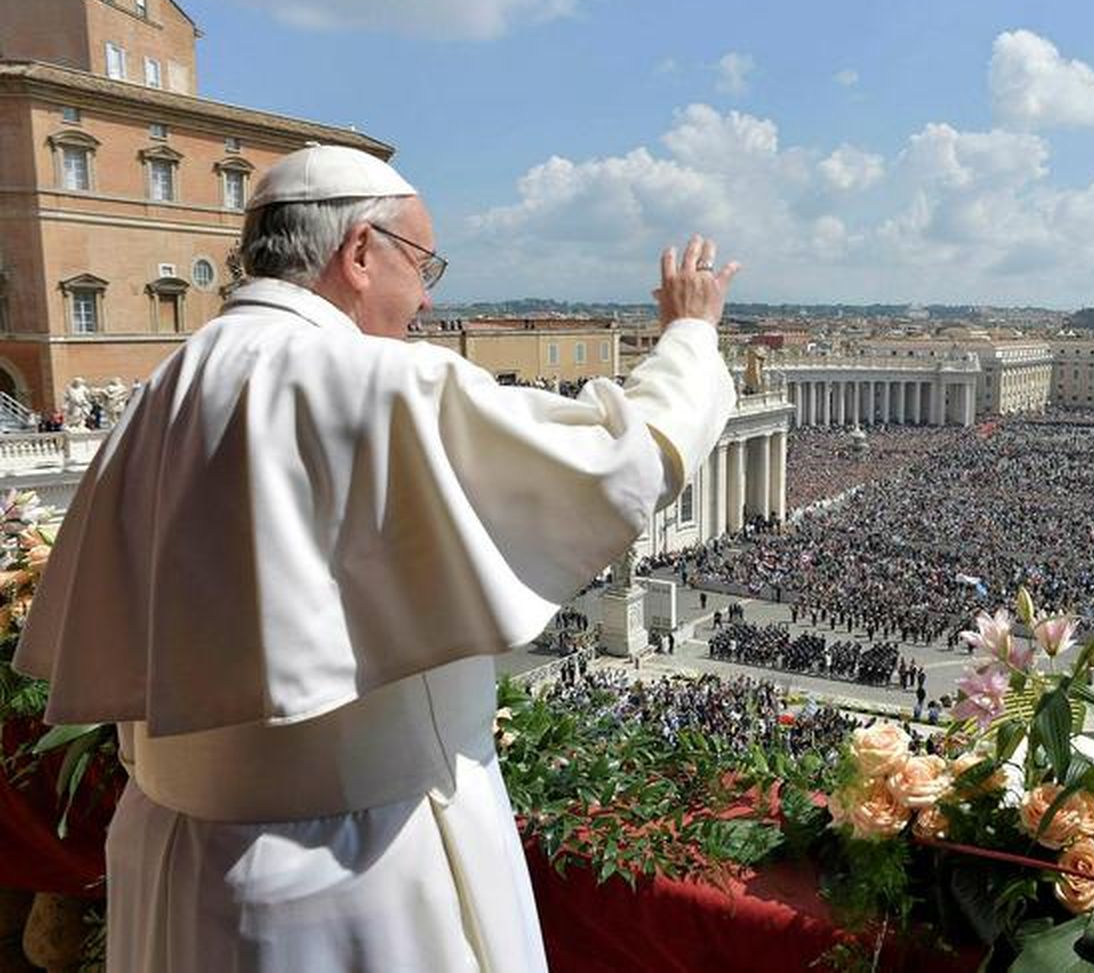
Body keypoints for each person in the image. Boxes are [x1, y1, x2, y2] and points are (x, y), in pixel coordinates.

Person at [12, 145, 741, 973]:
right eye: (422, 263)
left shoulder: (162, 391)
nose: (428, 297)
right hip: (358, 878)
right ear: (359, 252)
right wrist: (689, 334)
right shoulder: (375, 382)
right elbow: (620, 463)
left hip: (181, 868)